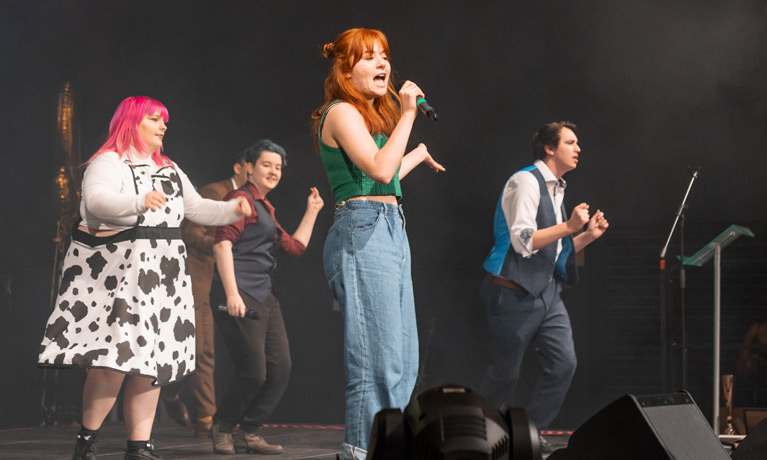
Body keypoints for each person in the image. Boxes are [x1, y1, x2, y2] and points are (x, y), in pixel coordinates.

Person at [37, 96, 251, 460]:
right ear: (132, 122)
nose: (163, 126)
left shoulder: (167, 167)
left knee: (151, 363)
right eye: (154, 119)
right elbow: (97, 202)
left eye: (163, 120)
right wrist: (138, 202)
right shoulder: (108, 162)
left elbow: (196, 207)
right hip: (122, 276)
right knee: (115, 362)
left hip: (163, 278)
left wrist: (232, 208)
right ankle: (87, 440)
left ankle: (140, 446)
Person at [312, 28, 444, 460]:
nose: (382, 64)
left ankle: (389, 449)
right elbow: (379, 173)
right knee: (376, 359)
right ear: (346, 69)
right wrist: (408, 115)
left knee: (404, 361)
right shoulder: (341, 112)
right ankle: (358, 452)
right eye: (369, 57)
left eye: (384, 55)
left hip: (389, 226)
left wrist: (417, 154)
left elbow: (381, 178)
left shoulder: (368, 117)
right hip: (361, 230)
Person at [479, 121, 609, 432]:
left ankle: (527, 433)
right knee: (505, 374)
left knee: (564, 364)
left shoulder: (557, 188)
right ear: (550, 148)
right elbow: (523, 241)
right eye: (570, 142)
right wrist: (568, 227)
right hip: (511, 292)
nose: (578, 149)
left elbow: (553, 251)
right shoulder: (525, 181)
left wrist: (586, 236)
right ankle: (475, 429)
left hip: (547, 295)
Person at [209, 140, 324, 455]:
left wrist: (312, 211)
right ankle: (222, 427)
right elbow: (222, 245)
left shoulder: (265, 209)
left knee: (280, 368)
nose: (274, 171)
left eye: (278, 167)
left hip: (263, 295)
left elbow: (294, 248)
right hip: (239, 291)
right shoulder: (239, 198)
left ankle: (248, 431)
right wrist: (232, 294)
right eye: (266, 165)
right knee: (254, 371)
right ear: (249, 167)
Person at [160, 152, 253, 437]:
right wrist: (219, 245)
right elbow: (190, 233)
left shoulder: (254, 200)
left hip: (221, 281)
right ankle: (178, 397)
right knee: (198, 350)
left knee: (208, 352)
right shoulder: (217, 192)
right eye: (255, 168)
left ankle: (205, 417)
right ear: (239, 167)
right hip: (194, 278)